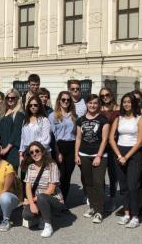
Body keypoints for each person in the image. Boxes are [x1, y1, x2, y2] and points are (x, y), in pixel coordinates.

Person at [109, 93, 142, 228]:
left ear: (134, 104)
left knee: (133, 186)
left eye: (129, 102)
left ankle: (135, 216)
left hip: (134, 154)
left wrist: (126, 156)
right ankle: (126, 214)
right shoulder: (118, 119)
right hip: (119, 153)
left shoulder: (140, 119)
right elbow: (111, 139)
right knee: (124, 187)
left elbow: (140, 142)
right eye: (124, 102)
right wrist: (119, 155)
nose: (126, 104)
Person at [76, 94, 110, 223]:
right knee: (88, 182)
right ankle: (93, 207)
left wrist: (99, 156)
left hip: (99, 155)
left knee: (98, 182)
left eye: (95, 103)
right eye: (90, 103)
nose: (92, 105)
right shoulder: (81, 120)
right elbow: (78, 138)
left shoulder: (103, 120)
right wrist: (76, 154)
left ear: (98, 104)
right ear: (87, 104)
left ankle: (100, 211)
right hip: (84, 154)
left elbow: (105, 139)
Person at [21, 142, 64, 238]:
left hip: (53, 199)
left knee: (42, 197)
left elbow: (51, 189)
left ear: (42, 151)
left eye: (37, 151)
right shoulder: (30, 167)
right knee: (27, 215)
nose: (35, 154)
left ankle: (48, 225)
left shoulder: (52, 165)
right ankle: (42, 216)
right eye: (32, 152)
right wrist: (31, 204)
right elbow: (27, 187)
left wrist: (32, 200)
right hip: (37, 199)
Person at [50, 91, 77, 205]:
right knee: (60, 175)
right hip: (59, 146)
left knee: (68, 175)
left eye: (68, 100)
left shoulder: (74, 115)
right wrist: (57, 152)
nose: (66, 102)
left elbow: (76, 133)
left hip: (71, 145)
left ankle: (63, 202)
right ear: (59, 101)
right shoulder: (53, 115)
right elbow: (52, 135)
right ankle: (56, 200)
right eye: (63, 99)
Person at [0, 89, 24, 182]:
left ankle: (15, 196)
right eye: (8, 97)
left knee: (12, 176)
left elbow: (16, 133)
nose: (10, 99)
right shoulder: (4, 111)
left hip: (12, 150)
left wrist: (7, 148)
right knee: (2, 176)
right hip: (1, 149)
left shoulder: (19, 113)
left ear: (17, 99)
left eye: (13, 98)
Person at [99, 87, 121, 213]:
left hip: (115, 144)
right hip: (101, 144)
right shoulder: (98, 108)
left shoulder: (118, 108)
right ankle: (101, 198)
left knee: (113, 173)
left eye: (107, 94)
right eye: (102, 96)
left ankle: (112, 198)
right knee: (100, 173)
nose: (105, 97)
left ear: (111, 95)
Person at [19, 95, 51, 164]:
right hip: (27, 154)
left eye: (35, 105)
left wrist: (35, 150)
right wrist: (21, 154)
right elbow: (22, 138)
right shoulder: (25, 121)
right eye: (30, 105)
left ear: (39, 106)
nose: (33, 107)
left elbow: (46, 139)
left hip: (40, 153)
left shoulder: (44, 120)